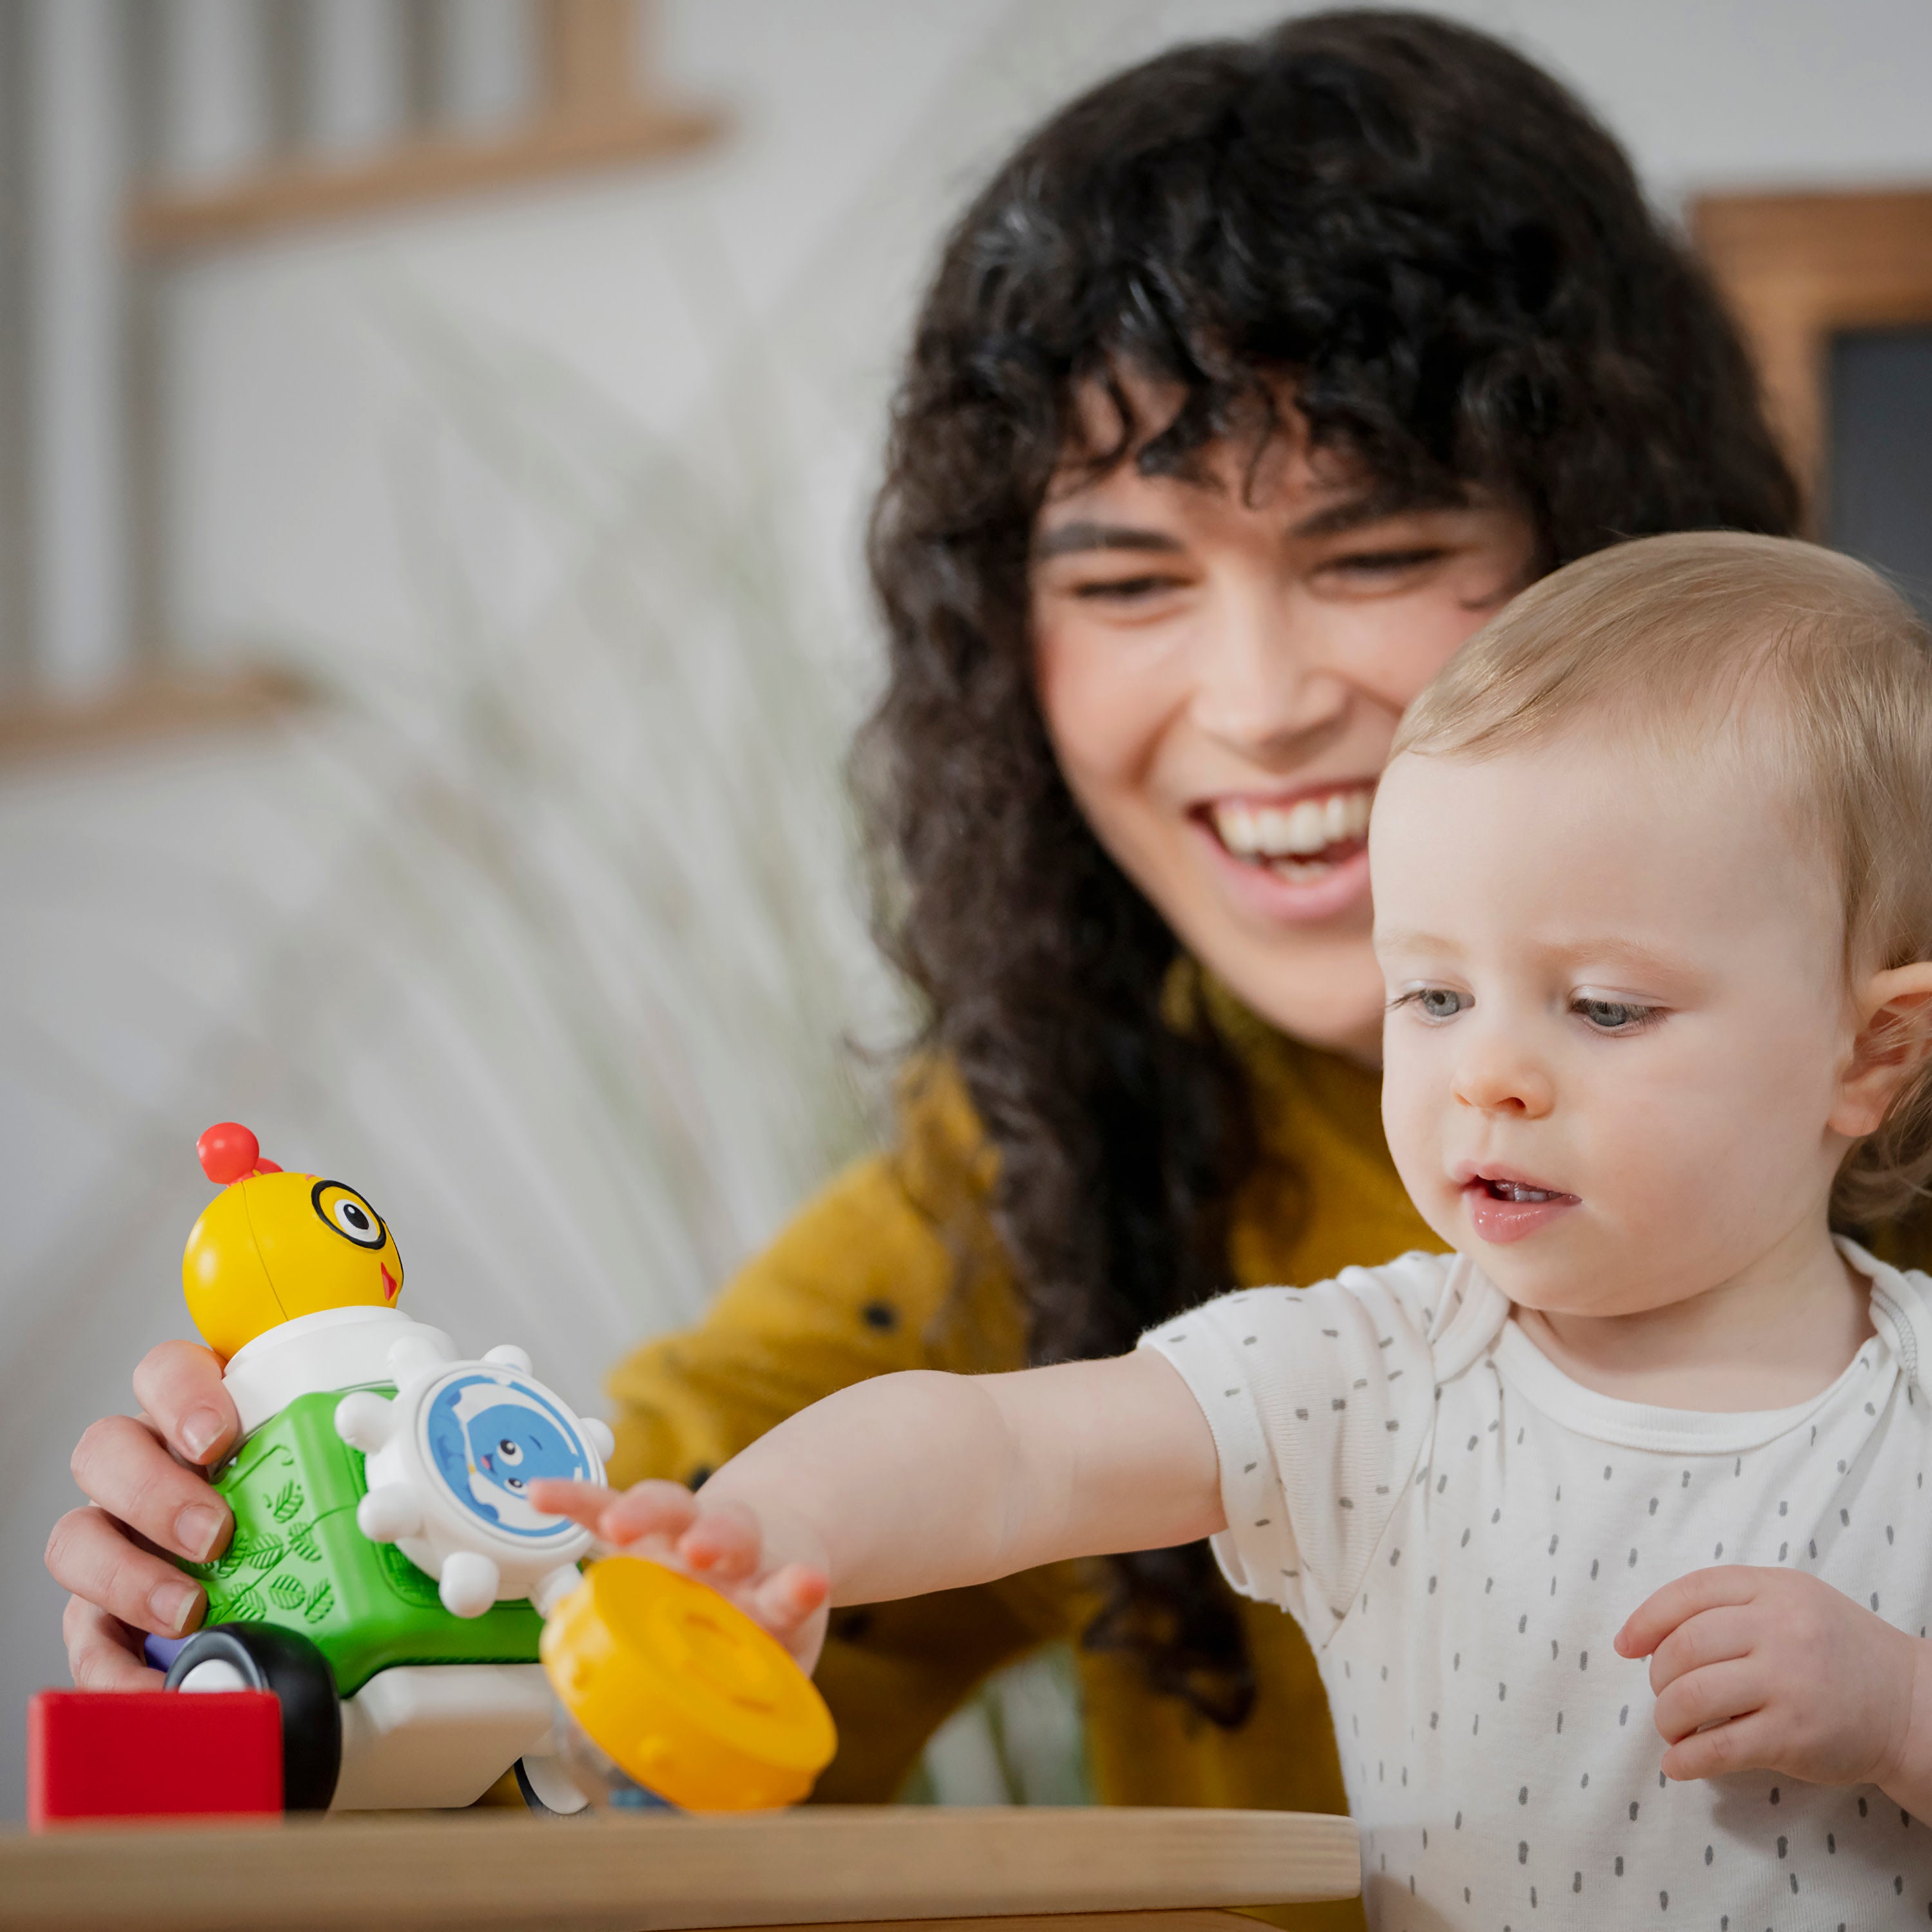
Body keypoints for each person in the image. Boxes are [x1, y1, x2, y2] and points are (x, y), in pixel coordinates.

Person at [47, 13, 1810, 1918]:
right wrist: (310, 1638)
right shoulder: (1052, 1156)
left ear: (1618, 560)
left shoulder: (1866, 1052)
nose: (1263, 703)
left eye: (1375, 552)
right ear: (1003, 638)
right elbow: (607, 1658)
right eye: (1127, 581)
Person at [533, 533, 1932, 1929]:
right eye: (1433, 996)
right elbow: (1006, 1452)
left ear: (1869, 1052)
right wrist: (775, 1526)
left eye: (1607, 1008)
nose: (1486, 1074)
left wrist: (1897, 1712)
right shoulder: (1370, 1379)